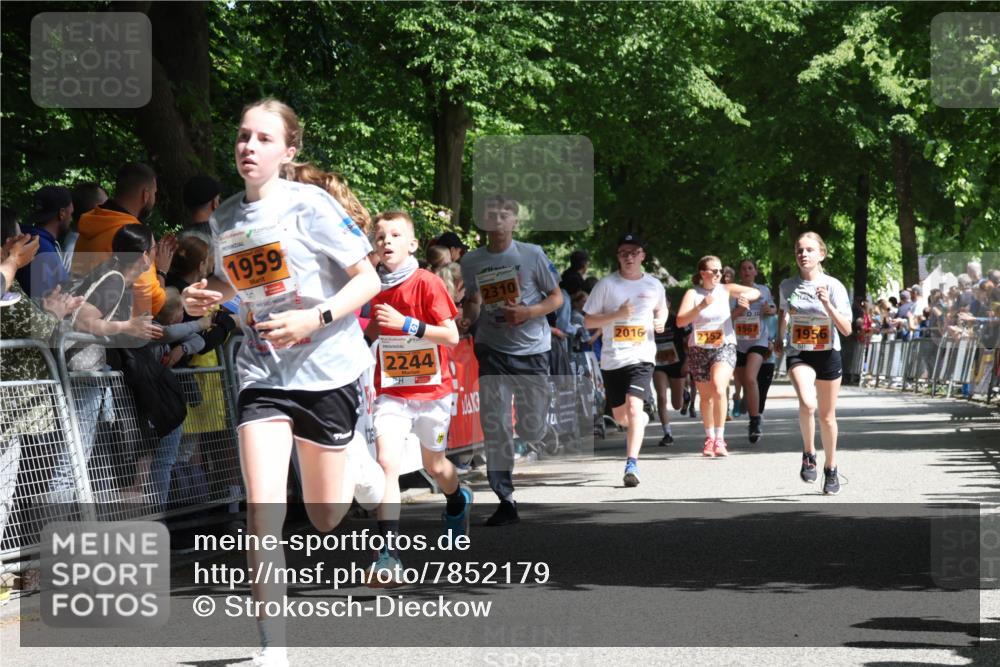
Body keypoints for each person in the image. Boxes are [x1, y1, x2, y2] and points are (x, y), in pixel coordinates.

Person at [181, 98, 384, 667]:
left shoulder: (311, 205)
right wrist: (208, 296)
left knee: (324, 515)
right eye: (244, 136)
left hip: (327, 371)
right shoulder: (222, 220)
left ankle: (360, 469)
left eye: (264, 139)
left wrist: (312, 319)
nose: (249, 146)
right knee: (262, 507)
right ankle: (273, 648)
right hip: (261, 371)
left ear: (288, 151)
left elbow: (367, 278)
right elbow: (230, 285)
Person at [363, 210, 471, 584]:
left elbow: (451, 335)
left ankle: (457, 500)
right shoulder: (370, 286)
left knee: (436, 466)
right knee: (387, 464)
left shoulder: (427, 283)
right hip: (391, 391)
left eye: (395, 235)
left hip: (432, 392)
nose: (386, 242)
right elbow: (371, 331)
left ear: (411, 245)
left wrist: (407, 324)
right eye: (380, 237)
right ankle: (387, 554)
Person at [458, 195, 562, 526]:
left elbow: (556, 297)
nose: (497, 219)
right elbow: (473, 301)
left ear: (514, 220)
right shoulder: (472, 261)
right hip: (492, 349)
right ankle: (505, 498)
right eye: (491, 214)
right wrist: (467, 318)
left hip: (531, 350)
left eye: (505, 214)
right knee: (497, 425)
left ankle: (541, 429)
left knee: (529, 428)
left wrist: (527, 312)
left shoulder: (532, 255)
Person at [583, 233, 666, 486]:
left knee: (633, 407)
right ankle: (639, 420)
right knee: (622, 418)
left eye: (633, 252)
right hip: (612, 360)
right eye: (623, 253)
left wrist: (661, 319)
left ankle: (632, 464)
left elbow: (662, 307)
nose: (628, 257)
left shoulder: (653, 285)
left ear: (642, 256)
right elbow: (587, 321)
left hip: (641, 357)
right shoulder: (607, 285)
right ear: (618, 257)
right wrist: (616, 314)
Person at [775, 232, 853, 495]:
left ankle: (831, 468)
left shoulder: (834, 286)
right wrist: (778, 337)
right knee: (808, 403)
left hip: (828, 352)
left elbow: (846, 329)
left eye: (809, 250)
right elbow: (784, 314)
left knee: (827, 417)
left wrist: (827, 304)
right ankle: (809, 453)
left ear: (822, 254)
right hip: (799, 352)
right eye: (799, 250)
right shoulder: (787, 285)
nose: (803, 255)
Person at [675, 255, 760, 458]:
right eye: (714, 271)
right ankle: (710, 437)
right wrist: (701, 306)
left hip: (724, 345)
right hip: (699, 349)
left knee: (719, 387)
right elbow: (680, 321)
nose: (719, 274)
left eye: (720, 271)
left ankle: (720, 439)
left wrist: (747, 297)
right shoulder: (692, 294)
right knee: (706, 397)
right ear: (703, 273)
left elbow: (754, 291)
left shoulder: (726, 289)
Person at [71, 162, 176, 318]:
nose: (154, 199)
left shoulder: (92, 223)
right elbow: (148, 305)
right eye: (154, 193)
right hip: (112, 328)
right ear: (145, 195)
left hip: (80, 315)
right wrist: (161, 271)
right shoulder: (135, 235)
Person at [731, 258, 776, 444]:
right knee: (745, 381)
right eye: (743, 268)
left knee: (750, 378)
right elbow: (727, 318)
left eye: (750, 268)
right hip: (738, 342)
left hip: (759, 340)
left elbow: (774, 309)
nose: (747, 271)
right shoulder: (732, 292)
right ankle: (749, 407)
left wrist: (769, 309)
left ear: (755, 272)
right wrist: (741, 309)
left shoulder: (763, 290)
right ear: (740, 273)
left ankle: (755, 420)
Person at [16, 185, 73, 299]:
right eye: (71, 214)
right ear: (62, 213)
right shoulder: (43, 249)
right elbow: (45, 303)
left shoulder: (26, 238)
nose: (71, 219)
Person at [652, 303, 690, 447]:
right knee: (661, 397)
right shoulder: (648, 320)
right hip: (657, 364)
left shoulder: (676, 320)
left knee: (677, 405)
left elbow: (688, 341)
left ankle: (684, 395)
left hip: (676, 363)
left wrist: (687, 361)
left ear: (668, 304)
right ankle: (667, 433)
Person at [63, 182, 109, 272]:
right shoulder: (73, 251)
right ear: (95, 211)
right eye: (106, 206)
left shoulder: (81, 244)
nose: (110, 211)